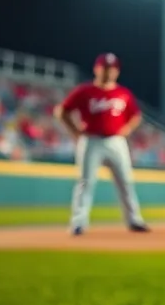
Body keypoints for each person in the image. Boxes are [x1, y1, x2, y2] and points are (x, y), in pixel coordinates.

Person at [55, 52, 150, 235]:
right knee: (85, 182)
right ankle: (78, 223)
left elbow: (136, 115)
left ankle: (134, 220)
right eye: (105, 68)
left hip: (116, 141)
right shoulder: (85, 91)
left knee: (126, 182)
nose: (108, 72)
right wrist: (75, 132)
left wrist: (127, 129)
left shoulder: (123, 93)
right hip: (91, 140)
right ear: (96, 69)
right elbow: (62, 112)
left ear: (117, 71)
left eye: (112, 69)